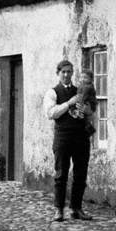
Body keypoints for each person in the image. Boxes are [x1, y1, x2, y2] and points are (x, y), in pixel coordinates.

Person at [43, 60, 94, 222]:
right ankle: (58, 210)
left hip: (80, 137)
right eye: (63, 72)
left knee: (80, 174)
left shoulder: (79, 90)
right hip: (63, 137)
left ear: (73, 73)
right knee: (61, 174)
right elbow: (51, 113)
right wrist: (68, 103)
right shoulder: (53, 92)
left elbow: (90, 110)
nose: (66, 75)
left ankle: (76, 209)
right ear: (58, 73)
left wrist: (88, 110)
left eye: (69, 72)